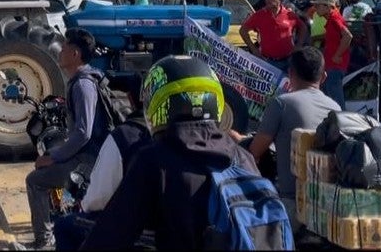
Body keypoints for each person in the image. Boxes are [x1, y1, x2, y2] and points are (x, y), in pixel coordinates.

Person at [79, 56, 258, 251]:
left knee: (68, 227)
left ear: (157, 104)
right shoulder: (242, 158)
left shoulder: (155, 160)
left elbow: (110, 235)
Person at [24, 29, 109, 250]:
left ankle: (44, 240)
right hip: (88, 155)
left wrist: (54, 156)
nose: (60, 51)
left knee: (35, 180)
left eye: (64, 47)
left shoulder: (83, 85)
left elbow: (83, 132)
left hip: (87, 161)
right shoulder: (81, 80)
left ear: (75, 54)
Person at [53, 80, 151, 251]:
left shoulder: (125, 136)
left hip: (138, 232)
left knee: (64, 226)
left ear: (131, 99)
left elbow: (97, 200)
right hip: (184, 231)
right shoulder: (208, 140)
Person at [247, 47, 341, 223]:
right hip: (327, 203)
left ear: (290, 74)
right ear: (324, 77)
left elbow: (254, 152)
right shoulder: (336, 108)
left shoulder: (281, 103)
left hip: (291, 202)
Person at [239, 0, 308, 71]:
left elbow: (303, 27)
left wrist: (298, 45)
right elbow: (243, 31)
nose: (267, 0)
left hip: (288, 61)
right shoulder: (259, 15)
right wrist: (254, 50)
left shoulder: (289, 15)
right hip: (267, 62)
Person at [311, 0, 352, 108]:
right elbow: (334, 35)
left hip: (335, 65)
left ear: (328, 7)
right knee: (330, 97)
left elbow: (348, 36)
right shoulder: (332, 19)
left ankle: (342, 123)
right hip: (331, 64)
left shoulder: (334, 18)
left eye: (318, 6)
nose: (316, 8)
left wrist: (337, 55)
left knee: (336, 100)